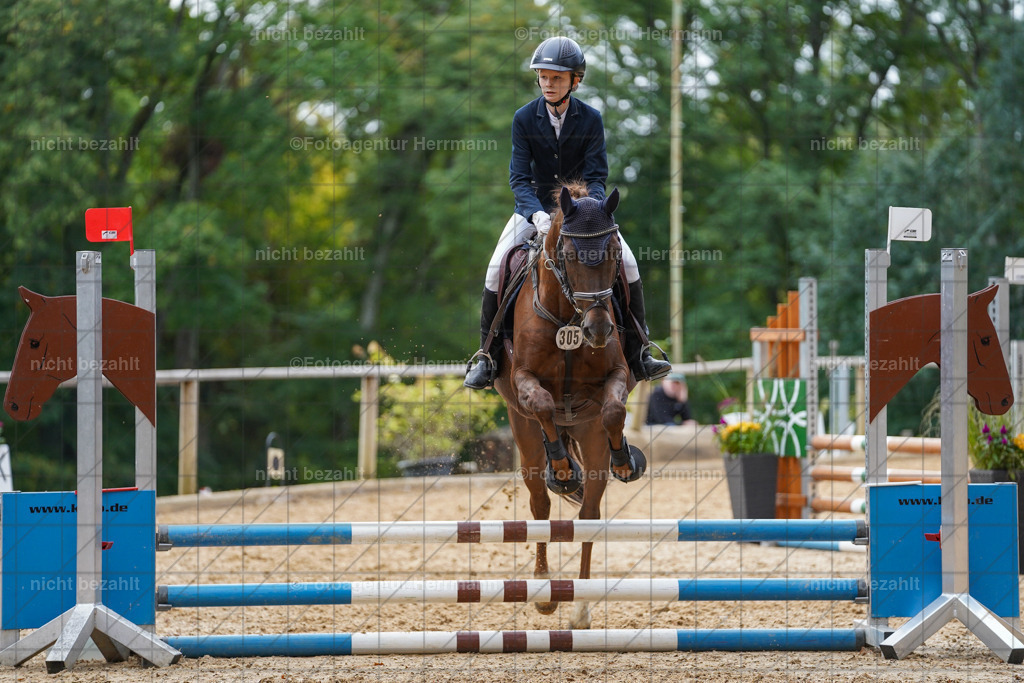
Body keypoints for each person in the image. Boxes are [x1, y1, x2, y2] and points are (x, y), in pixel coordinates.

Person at [464, 36, 671, 389]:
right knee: (497, 266)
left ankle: (640, 351)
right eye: (543, 76)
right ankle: (488, 355)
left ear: (576, 80)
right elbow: (518, 177)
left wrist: (589, 211)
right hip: (534, 212)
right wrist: (537, 215)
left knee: (630, 262)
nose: (548, 83)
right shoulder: (524, 118)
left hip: (584, 215)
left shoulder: (590, 119)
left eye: (557, 78)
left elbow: (597, 177)